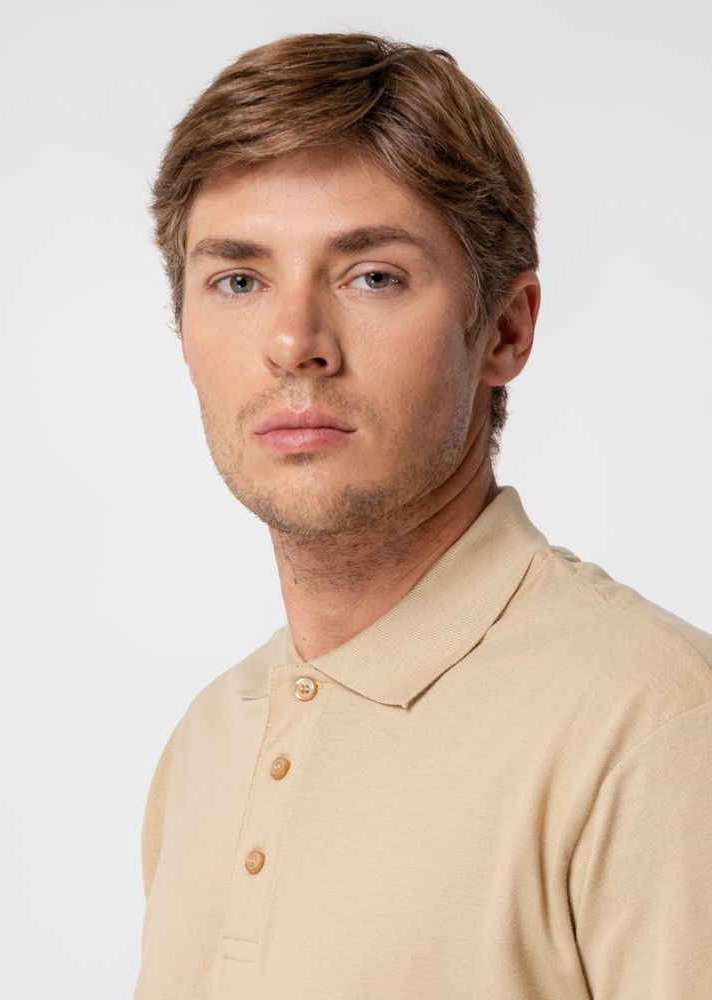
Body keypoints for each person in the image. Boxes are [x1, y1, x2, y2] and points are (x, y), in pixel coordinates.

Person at [133, 32, 712, 1000]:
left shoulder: (656, 725)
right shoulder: (210, 739)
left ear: (506, 329)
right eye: (239, 279)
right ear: (185, 332)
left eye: (373, 275)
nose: (295, 342)